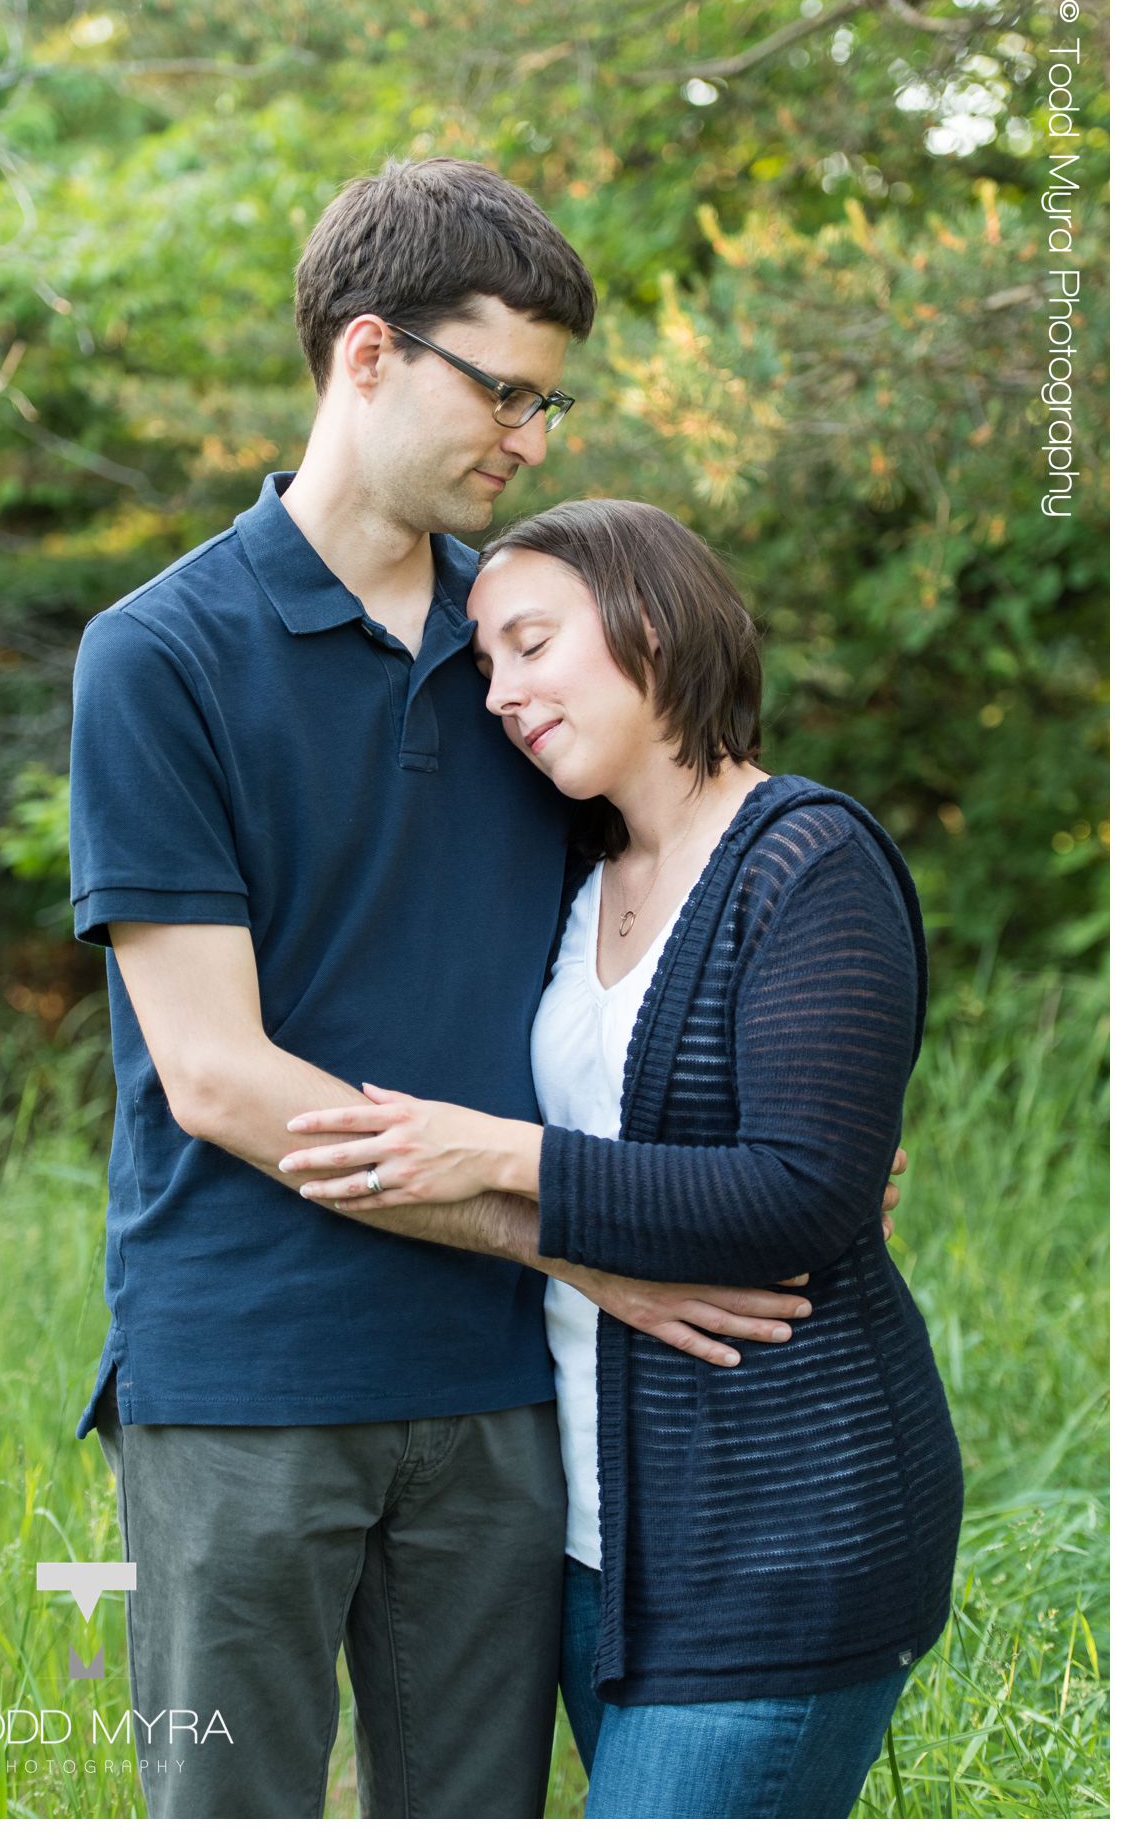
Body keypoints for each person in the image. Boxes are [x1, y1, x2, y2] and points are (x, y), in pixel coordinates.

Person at [67, 160, 864, 1820]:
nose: (534, 438)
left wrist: (799, 1115)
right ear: (370, 354)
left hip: (502, 1392)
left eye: (551, 402)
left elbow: (687, 889)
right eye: (505, 390)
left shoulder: (526, 657)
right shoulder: (161, 654)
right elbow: (217, 1075)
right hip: (247, 1378)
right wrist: (583, 1242)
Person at [280, 498, 965, 1821]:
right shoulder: (578, 875)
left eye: (531, 645)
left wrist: (505, 1153)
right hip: (603, 1543)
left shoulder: (809, 860)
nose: (501, 696)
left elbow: (802, 1196)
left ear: (650, 618)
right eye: (485, 666)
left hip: (784, 1529)